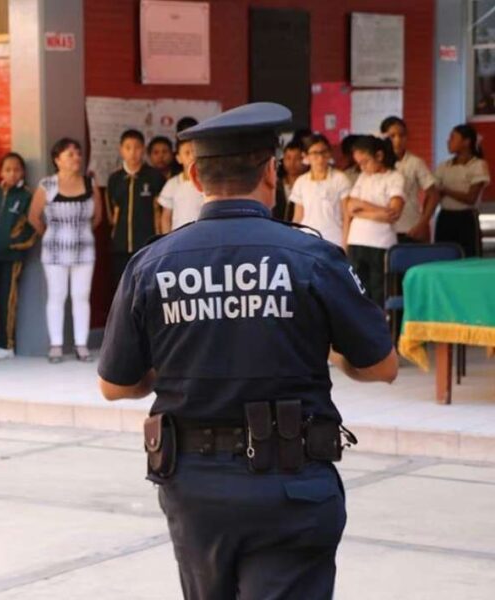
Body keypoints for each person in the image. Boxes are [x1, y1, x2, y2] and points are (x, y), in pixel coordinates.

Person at [98, 102, 398, 600]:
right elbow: (383, 365)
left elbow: (115, 385)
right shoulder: (313, 256)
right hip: (292, 485)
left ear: (194, 177)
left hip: (195, 489)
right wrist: (328, 351)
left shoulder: (151, 263)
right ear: (271, 172)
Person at [28, 137, 102, 363]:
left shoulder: (90, 184)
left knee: (81, 296)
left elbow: (98, 217)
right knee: (57, 295)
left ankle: (81, 345)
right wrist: (52, 236)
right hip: (54, 251)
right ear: (57, 159)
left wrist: (79, 234)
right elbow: (34, 217)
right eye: (70, 154)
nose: (76, 158)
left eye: (78, 153)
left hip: (84, 249)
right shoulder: (47, 185)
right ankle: (56, 345)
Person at [344, 136, 405, 307]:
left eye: (365, 162)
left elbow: (393, 213)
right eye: (359, 163)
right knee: (358, 290)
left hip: (381, 242)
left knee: (379, 291)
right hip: (356, 240)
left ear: (379, 156)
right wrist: (376, 210)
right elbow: (350, 206)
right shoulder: (363, 177)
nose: (362, 167)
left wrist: (361, 211)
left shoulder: (395, 177)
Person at [0, 152, 36, 360]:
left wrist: (13, 244)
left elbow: (31, 227)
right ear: (0, 172)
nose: (12, 173)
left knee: (8, 299)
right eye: (7, 169)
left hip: (11, 257)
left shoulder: (26, 195)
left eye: (16, 169)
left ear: (23, 172)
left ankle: (7, 343)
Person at [106, 129, 166, 290]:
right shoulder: (115, 179)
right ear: (121, 150)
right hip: (120, 245)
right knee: (122, 289)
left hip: (147, 245)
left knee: (148, 287)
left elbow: (161, 212)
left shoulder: (155, 177)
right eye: (128, 147)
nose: (133, 152)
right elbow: (111, 214)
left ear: (143, 150)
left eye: (137, 147)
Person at [378, 117, 439, 243]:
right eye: (392, 136)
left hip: (409, 228)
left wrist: (423, 223)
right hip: (381, 230)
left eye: (402, 135)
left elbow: (433, 194)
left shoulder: (415, 163)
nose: (397, 140)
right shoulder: (375, 165)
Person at [434, 124, 490, 257]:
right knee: (443, 255)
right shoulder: (444, 166)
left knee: (468, 256)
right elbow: (434, 193)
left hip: (466, 218)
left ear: (466, 141)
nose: (448, 141)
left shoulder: (478, 165)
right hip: (445, 216)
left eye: (453, 138)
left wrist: (446, 191)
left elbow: (471, 198)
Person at [290, 135, 351, 247]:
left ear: (329, 154)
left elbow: (347, 216)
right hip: (307, 241)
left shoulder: (340, 178)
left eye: (324, 152)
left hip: (334, 241)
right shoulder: (301, 182)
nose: (320, 158)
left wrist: (345, 245)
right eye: (315, 153)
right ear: (306, 156)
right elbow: (298, 217)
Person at [158, 139, 204, 233]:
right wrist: (166, 239)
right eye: (187, 153)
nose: (192, 156)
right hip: (178, 237)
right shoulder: (172, 184)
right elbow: (166, 217)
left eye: (195, 152)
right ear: (179, 158)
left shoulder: (208, 182)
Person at [274, 140, 306, 221]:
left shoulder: (309, 185)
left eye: (297, 158)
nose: (292, 162)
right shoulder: (276, 184)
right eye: (288, 158)